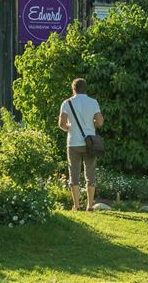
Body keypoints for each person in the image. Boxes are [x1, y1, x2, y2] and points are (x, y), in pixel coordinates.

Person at [58, 78, 104, 212]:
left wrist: (69, 128)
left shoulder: (67, 103)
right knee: (90, 174)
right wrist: (91, 125)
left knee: (74, 174)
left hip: (73, 143)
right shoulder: (93, 102)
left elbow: (62, 124)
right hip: (90, 142)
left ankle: (76, 206)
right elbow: (100, 122)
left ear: (73, 89)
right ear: (85, 88)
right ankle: (89, 205)